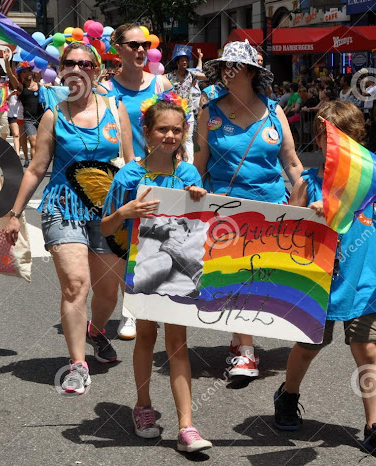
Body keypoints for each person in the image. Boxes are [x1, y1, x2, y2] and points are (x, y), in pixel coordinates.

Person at [274, 101, 376, 463]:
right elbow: (289, 232)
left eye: (344, 138)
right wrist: (310, 217)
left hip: (364, 280)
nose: (335, 146)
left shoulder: (369, 178)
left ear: (357, 142)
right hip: (318, 281)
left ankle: (375, 428)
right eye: (328, 138)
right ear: (319, 141)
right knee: (309, 346)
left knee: (367, 350)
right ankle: (288, 395)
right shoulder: (308, 182)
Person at [5, 42, 134, 396]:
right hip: (63, 207)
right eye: (70, 63)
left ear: (96, 70)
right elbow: (36, 168)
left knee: (107, 291)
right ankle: (78, 364)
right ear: (62, 70)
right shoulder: (53, 115)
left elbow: (132, 162)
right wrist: (15, 213)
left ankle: (96, 331)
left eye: (85, 64)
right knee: (76, 284)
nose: (78, 68)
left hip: (109, 209)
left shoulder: (115, 108)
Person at [100, 94, 212, 453]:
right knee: (146, 336)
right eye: (162, 129)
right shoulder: (130, 174)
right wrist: (126, 211)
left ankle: (187, 426)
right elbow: (104, 228)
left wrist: (201, 198)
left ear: (185, 134)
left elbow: (202, 222)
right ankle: (143, 406)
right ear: (147, 132)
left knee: (178, 343)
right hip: (143, 266)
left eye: (177, 130)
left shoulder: (188, 173)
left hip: (181, 266)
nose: (170, 136)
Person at [194, 41, 304, 379]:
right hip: (223, 211)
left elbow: (292, 162)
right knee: (237, 276)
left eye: (236, 65)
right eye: (225, 65)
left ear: (251, 72)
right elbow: (197, 166)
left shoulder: (274, 111)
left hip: (270, 211)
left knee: (259, 279)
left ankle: (240, 336)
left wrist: (309, 201)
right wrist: (184, 198)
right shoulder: (208, 112)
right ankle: (246, 351)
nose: (229, 71)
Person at [103, 23, 172, 340]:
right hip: (123, 175)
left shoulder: (161, 84)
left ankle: (152, 303)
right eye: (133, 45)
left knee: (158, 241)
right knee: (128, 243)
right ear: (118, 49)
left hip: (162, 173)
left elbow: (177, 124)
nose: (141, 50)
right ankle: (130, 310)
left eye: (144, 44)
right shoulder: (106, 90)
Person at [166, 46, 206, 163]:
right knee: (175, 137)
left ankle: (189, 164)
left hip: (188, 113)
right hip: (174, 112)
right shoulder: (169, 76)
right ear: (177, 62)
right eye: (182, 60)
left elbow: (205, 75)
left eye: (186, 60)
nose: (184, 62)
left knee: (188, 139)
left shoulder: (192, 75)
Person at [3, 54, 43, 167]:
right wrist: (6, 61)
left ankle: (39, 163)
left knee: (41, 144)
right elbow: (10, 74)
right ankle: (34, 167)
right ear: (21, 74)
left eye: (29, 70)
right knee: (33, 142)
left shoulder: (40, 86)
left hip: (42, 119)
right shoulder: (20, 87)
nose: (28, 73)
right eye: (25, 71)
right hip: (28, 120)